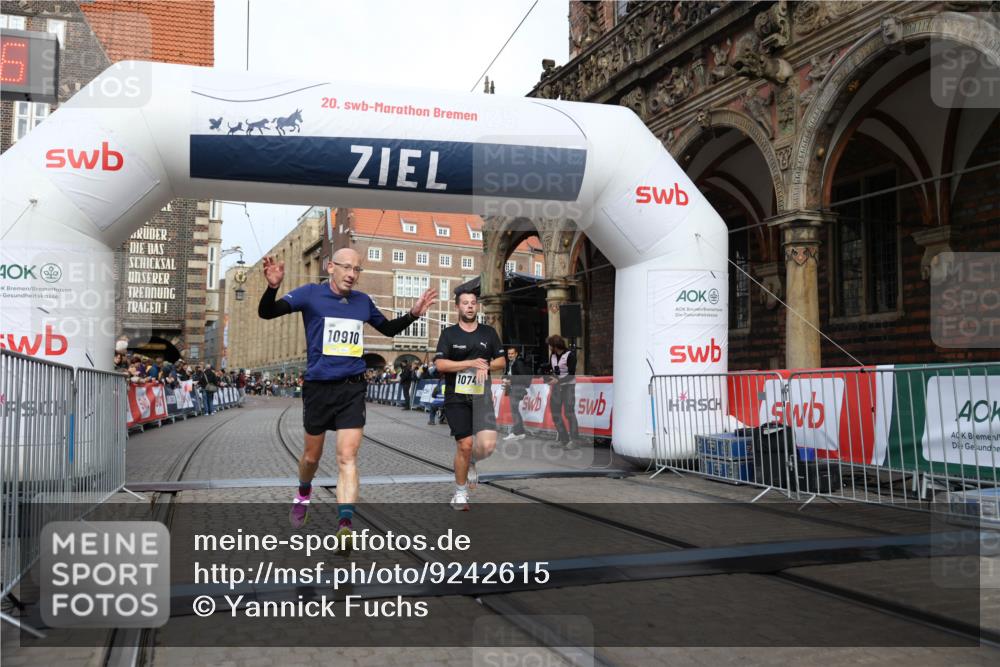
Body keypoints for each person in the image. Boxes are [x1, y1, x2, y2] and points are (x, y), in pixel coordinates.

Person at [258, 248, 437, 542]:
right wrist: (273, 287)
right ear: (331, 267)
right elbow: (267, 312)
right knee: (311, 458)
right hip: (318, 388)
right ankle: (304, 491)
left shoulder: (363, 302)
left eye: (357, 269)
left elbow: (388, 330)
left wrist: (413, 314)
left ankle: (345, 525)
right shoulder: (310, 294)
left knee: (347, 458)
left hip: (352, 388)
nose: (352, 274)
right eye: (347, 268)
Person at [433, 290, 506, 511]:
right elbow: (441, 365)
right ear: (458, 307)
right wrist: (469, 363)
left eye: (473, 303)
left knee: (487, 446)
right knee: (464, 445)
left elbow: (501, 360)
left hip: (481, 397)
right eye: (465, 303)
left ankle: (472, 461)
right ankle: (460, 492)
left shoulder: (489, 333)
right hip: (456, 397)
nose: (470, 306)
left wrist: (486, 365)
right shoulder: (449, 334)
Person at [546, 335, 580, 446]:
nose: (550, 347)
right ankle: (564, 439)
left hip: (568, 387)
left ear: (555, 346)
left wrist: (558, 381)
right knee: (555, 412)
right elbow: (553, 370)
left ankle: (575, 440)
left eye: (551, 345)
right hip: (557, 387)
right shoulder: (553, 355)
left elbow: (571, 375)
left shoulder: (570, 355)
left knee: (569, 413)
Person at [502, 347, 531, 441]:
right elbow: (508, 374)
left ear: (516, 354)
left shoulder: (518, 363)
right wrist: (504, 378)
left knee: (514, 411)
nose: (510, 355)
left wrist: (510, 380)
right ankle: (520, 432)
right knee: (515, 410)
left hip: (518, 388)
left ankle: (517, 432)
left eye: (512, 353)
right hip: (512, 388)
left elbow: (523, 377)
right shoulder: (511, 363)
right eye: (509, 354)